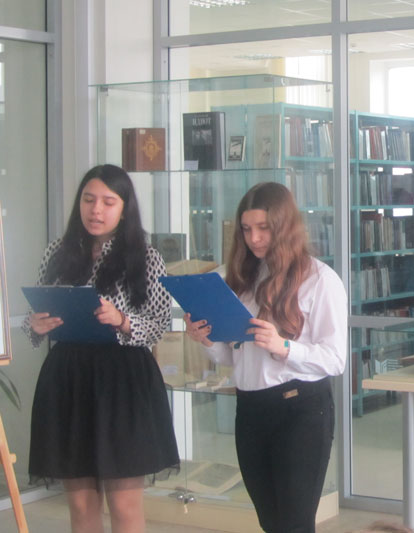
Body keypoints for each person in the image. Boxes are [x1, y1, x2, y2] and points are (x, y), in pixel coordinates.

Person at [23, 164, 179, 533]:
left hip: (123, 381)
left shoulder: (146, 257)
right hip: (68, 378)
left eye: (108, 202)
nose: (96, 210)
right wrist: (36, 325)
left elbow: (160, 324)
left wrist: (122, 320)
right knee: (80, 505)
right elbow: (40, 313)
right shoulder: (57, 253)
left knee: (123, 505)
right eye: (89, 200)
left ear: (124, 209)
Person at [184, 181, 347, 533]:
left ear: (284, 227)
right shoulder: (241, 279)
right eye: (246, 229)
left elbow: (335, 359)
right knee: (270, 522)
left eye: (263, 228)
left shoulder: (321, 279)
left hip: (300, 409)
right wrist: (206, 338)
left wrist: (284, 346)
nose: (254, 239)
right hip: (251, 409)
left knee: (294, 523)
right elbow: (232, 357)